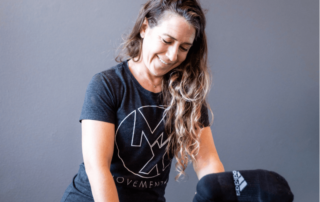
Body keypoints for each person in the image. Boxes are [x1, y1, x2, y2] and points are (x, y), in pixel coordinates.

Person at [61, 0, 224, 201]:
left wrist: (221, 196)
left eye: (183, 47)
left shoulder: (187, 94)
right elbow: (97, 168)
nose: (173, 55)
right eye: (167, 40)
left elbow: (207, 161)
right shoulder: (107, 85)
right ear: (145, 28)